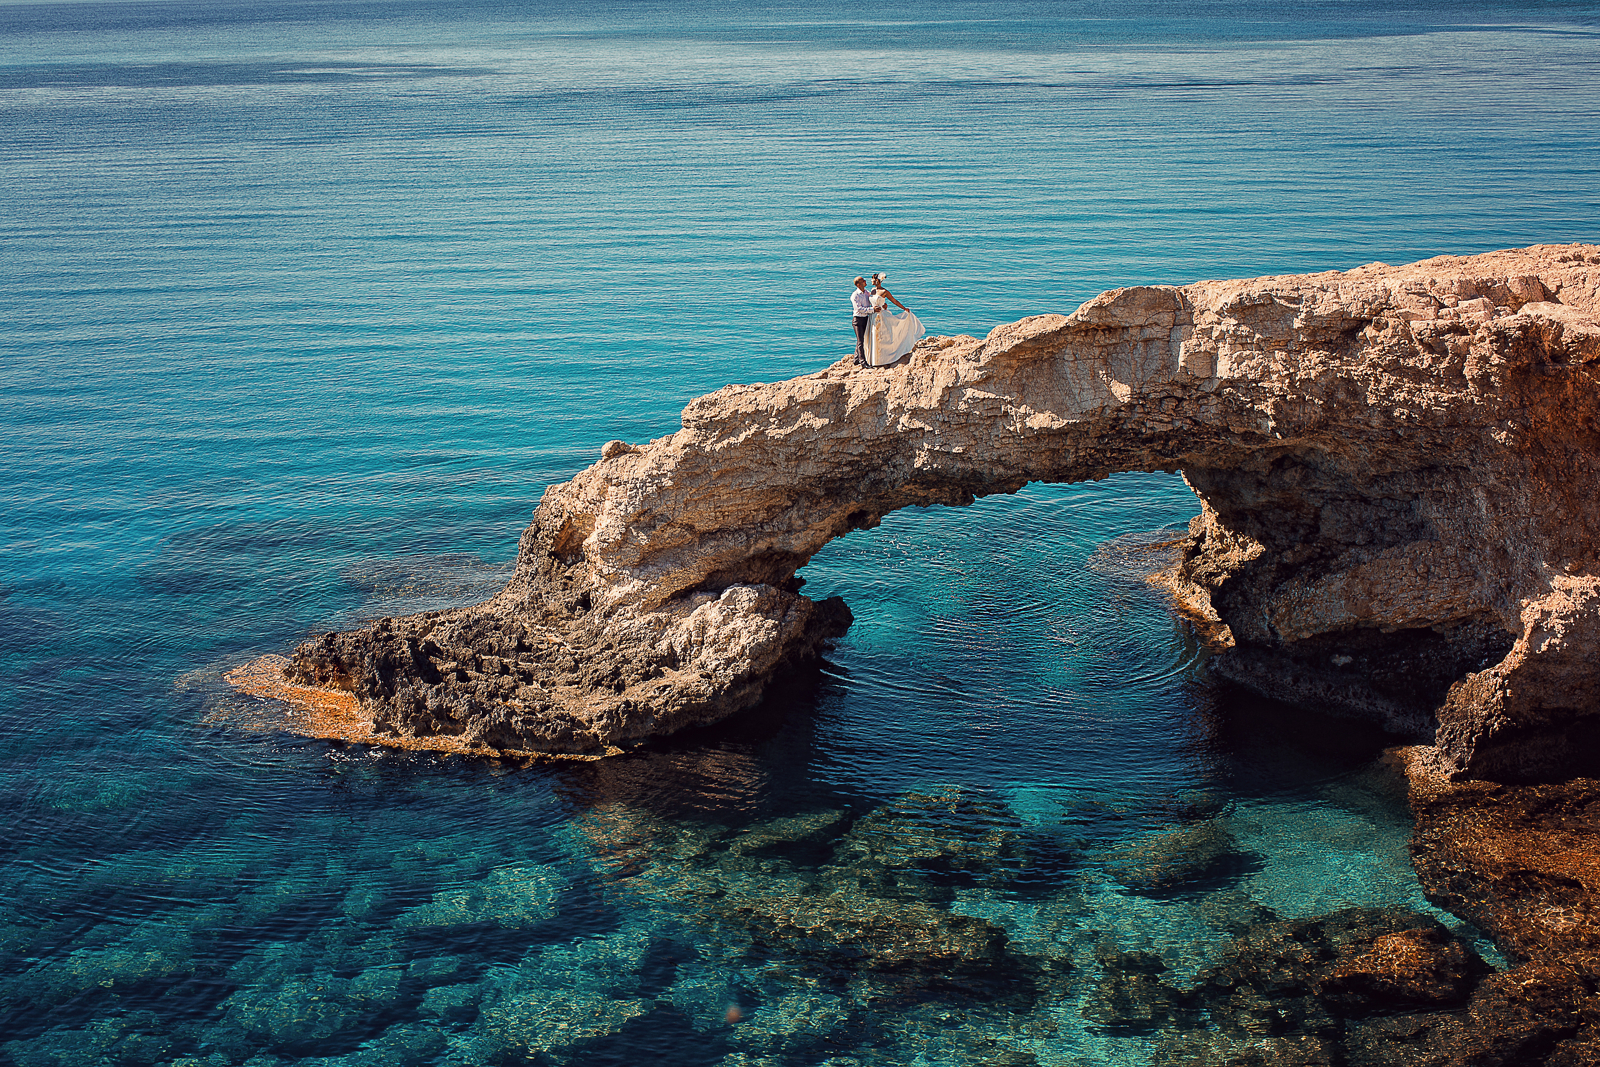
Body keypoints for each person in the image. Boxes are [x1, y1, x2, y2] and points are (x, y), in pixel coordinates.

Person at [864, 272, 925, 367]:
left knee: (882, 337)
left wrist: (904, 308)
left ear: (877, 280)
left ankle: (882, 359)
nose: (871, 280)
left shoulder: (884, 292)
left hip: (881, 316)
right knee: (873, 336)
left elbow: (894, 301)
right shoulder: (872, 291)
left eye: (872, 279)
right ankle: (874, 360)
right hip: (872, 316)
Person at [851, 276, 873, 366]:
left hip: (866, 318)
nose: (865, 281)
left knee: (861, 339)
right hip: (858, 319)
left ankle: (856, 359)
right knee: (860, 341)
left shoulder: (867, 293)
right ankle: (862, 361)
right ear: (858, 284)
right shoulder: (855, 295)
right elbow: (859, 309)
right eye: (863, 281)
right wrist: (872, 310)